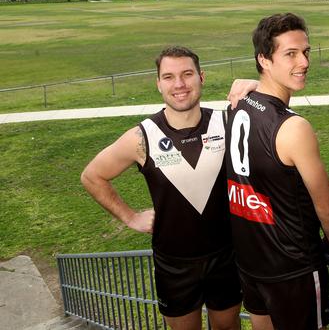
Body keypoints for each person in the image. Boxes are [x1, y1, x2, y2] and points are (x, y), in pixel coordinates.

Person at [81, 46, 243, 330]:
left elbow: (274, 113)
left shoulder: (227, 121)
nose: (179, 84)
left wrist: (254, 86)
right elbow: (92, 176)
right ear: (158, 84)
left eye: (187, 74)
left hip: (226, 255)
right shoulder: (141, 137)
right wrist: (130, 217)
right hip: (174, 264)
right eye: (168, 77)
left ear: (202, 77)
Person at [225, 13, 329, 330]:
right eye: (290, 54)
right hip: (293, 267)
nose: (303, 62)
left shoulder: (236, 104)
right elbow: (327, 206)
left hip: (251, 263)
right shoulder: (293, 127)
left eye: (305, 51)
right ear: (264, 59)